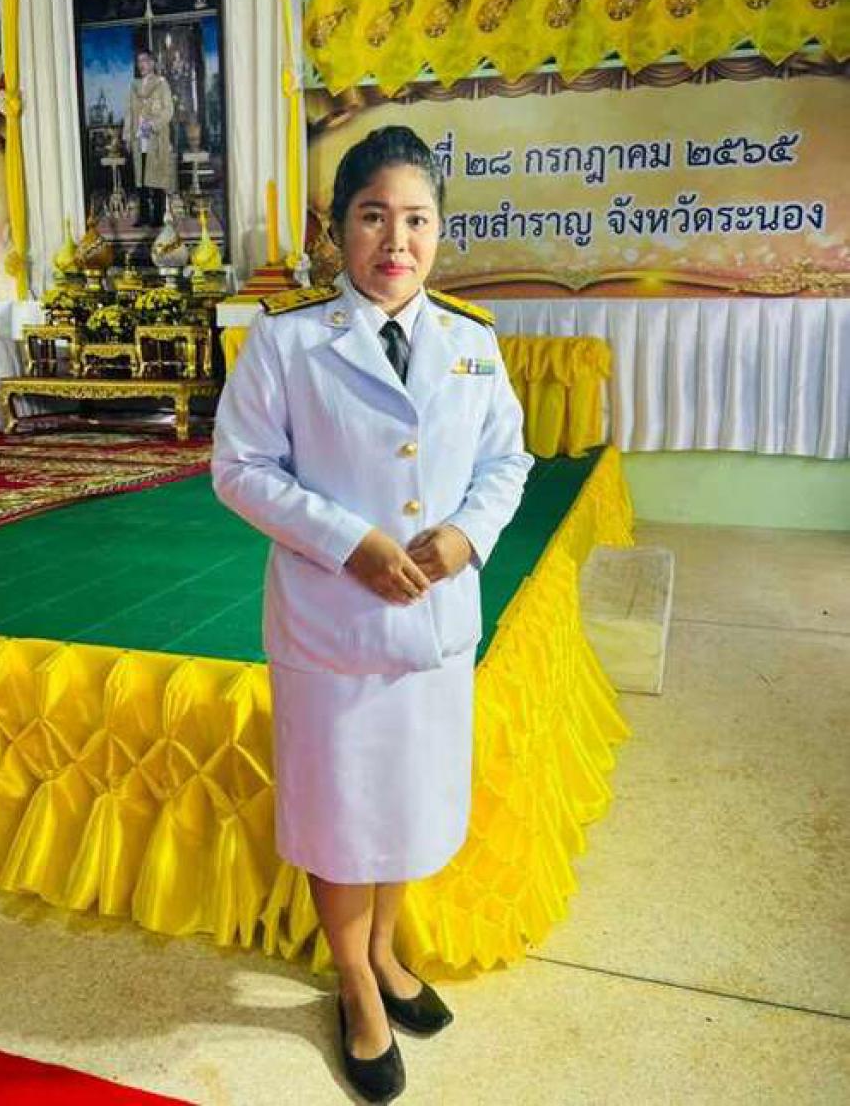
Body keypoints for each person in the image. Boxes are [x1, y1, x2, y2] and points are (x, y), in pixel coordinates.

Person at [211, 125, 533, 1103]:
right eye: (373, 216)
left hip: (434, 628)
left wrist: (467, 535)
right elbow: (240, 470)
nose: (397, 240)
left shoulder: (471, 343)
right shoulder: (286, 341)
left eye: (417, 219)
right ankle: (354, 981)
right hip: (333, 627)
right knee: (343, 816)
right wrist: (348, 540)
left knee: (407, 806)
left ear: (440, 230)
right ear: (335, 228)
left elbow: (506, 461)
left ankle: (388, 953)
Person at [122, 48, 175, 228]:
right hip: (139, 139)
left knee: (157, 178)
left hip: (155, 139)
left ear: (152, 63)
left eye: (145, 60)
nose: (141, 65)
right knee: (141, 179)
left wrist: (153, 124)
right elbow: (129, 112)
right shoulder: (134, 86)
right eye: (139, 61)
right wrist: (127, 136)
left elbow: (169, 110)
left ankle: (158, 217)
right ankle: (143, 216)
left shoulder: (162, 84)